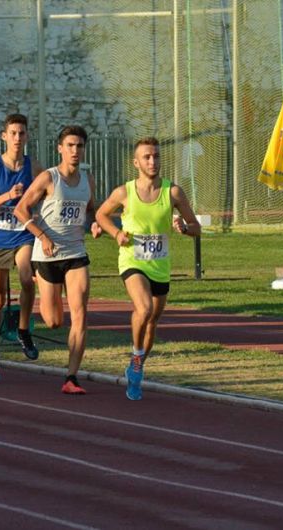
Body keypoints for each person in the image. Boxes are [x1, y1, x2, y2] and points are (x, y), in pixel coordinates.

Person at [95, 137, 201, 401]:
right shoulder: (124, 192)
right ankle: (136, 357)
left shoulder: (173, 192)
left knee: (152, 320)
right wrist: (116, 233)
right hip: (132, 260)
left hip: (160, 265)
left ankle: (138, 364)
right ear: (136, 162)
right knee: (144, 308)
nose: (152, 161)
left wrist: (185, 229)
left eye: (156, 156)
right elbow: (100, 214)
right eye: (146, 157)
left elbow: (196, 227)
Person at [13, 125, 101, 394]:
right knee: (54, 321)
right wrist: (41, 236)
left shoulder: (88, 180)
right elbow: (20, 209)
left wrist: (95, 223)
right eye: (70, 146)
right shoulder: (49, 178)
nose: (75, 151)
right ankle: (28, 317)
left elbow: (92, 210)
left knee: (80, 316)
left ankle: (71, 378)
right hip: (47, 255)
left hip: (76, 254)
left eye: (80, 146)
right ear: (60, 148)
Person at [0, 113, 45, 383]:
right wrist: (7, 196)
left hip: (23, 234)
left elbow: (46, 196)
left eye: (22, 133)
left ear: (27, 136)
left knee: (27, 277)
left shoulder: (34, 167)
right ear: (4, 136)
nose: (17, 138)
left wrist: (38, 212)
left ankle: (23, 329)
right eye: (13, 133)